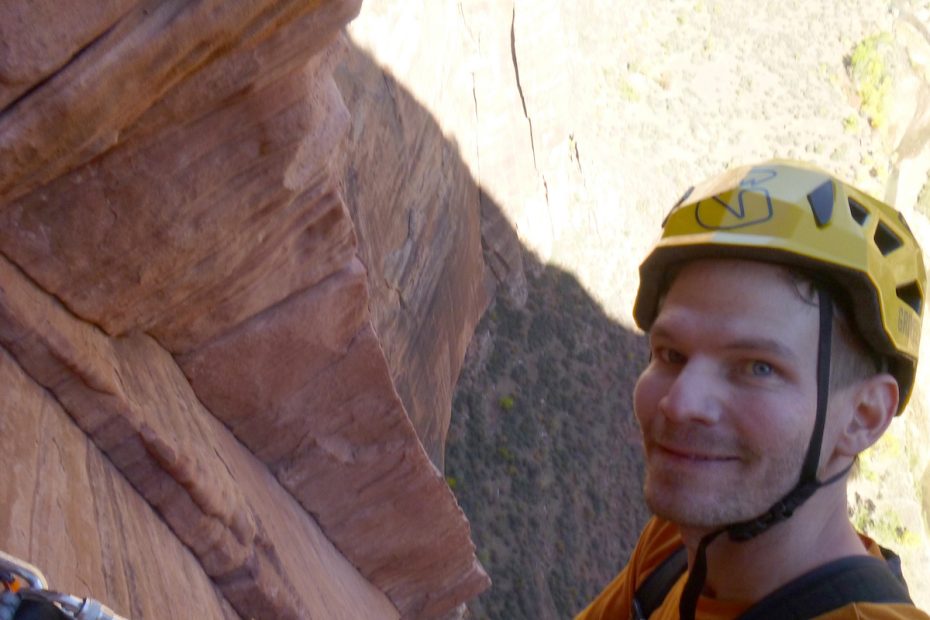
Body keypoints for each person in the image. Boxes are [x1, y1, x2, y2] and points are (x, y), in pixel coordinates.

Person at [575, 160, 930, 619]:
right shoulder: (672, 549)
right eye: (671, 354)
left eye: (758, 367)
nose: (679, 403)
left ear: (862, 417)